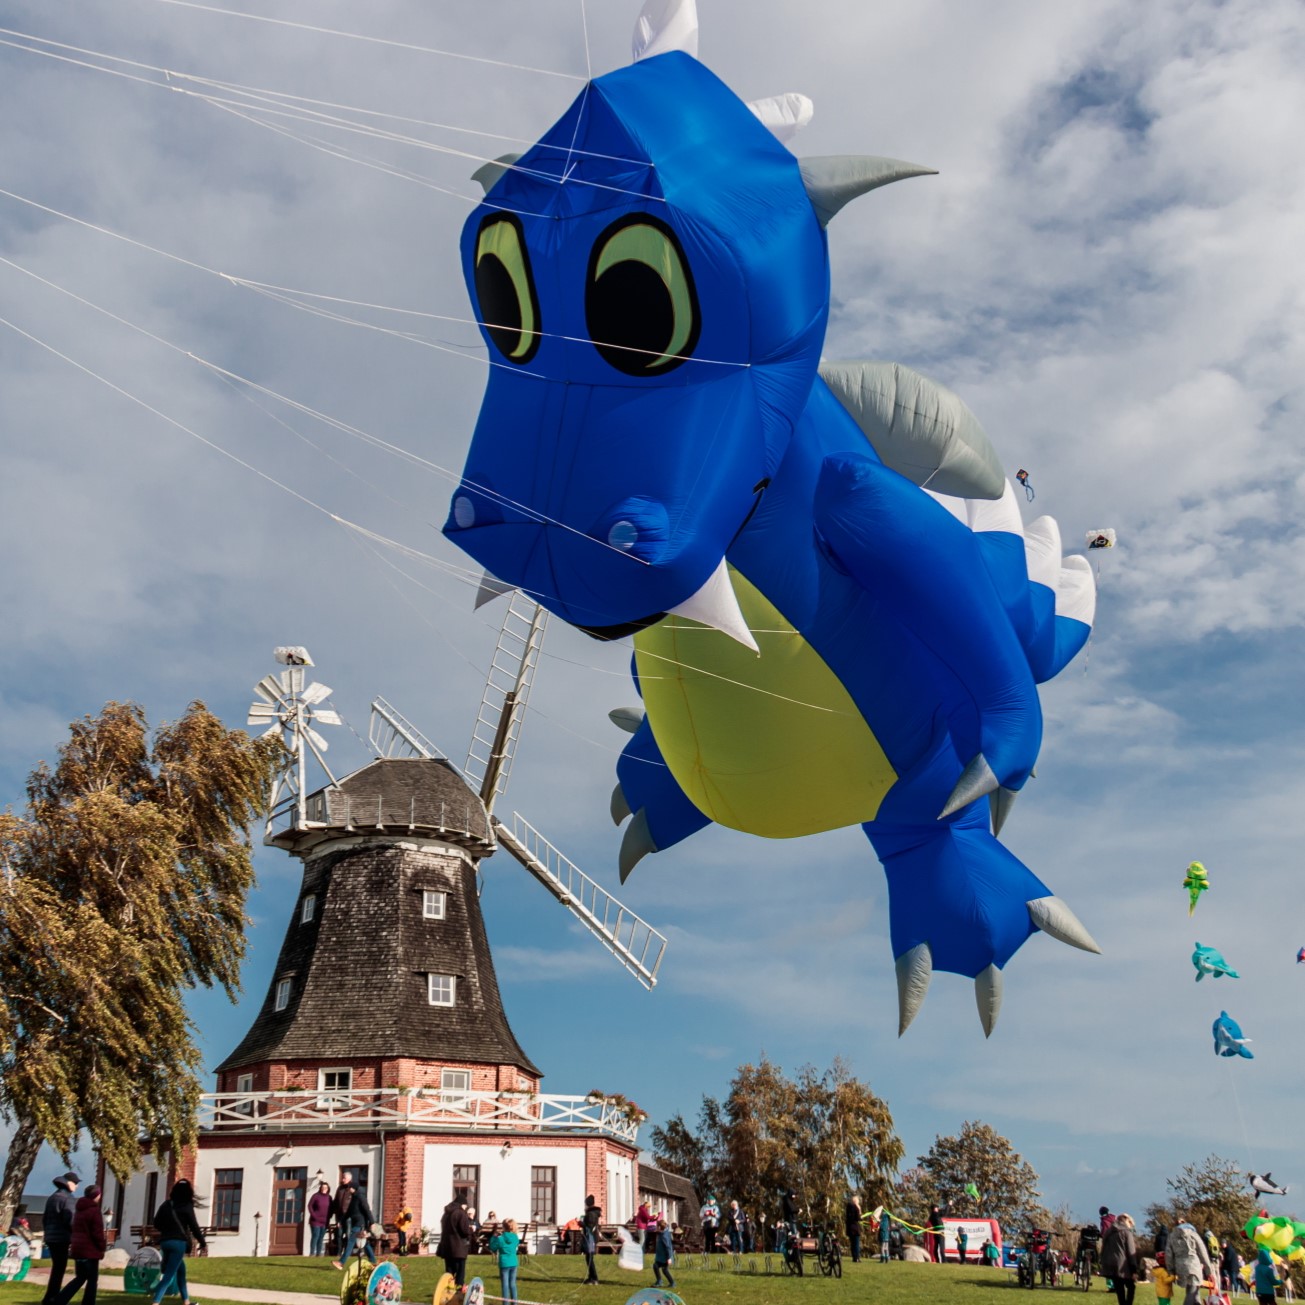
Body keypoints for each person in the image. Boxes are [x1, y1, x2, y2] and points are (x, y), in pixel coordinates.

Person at [151, 1178, 208, 1305]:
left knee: (181, 1271)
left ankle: (186, 1302)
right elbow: (194, 1227)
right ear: (188, 1192)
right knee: (168, 1276)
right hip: (178, 1244)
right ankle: (155, 1302)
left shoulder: (166, 1204)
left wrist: (167, 1230)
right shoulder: (187, 1206)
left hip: (165, 1242)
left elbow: (156, 1223)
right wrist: (203, 1243)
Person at [53, 1184, 105, 1305]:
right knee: (92, 1280)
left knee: (80, 1277)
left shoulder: (79, 1210)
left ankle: (60, 1300)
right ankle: (88, 1302)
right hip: (90, 1251)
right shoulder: (94, 1211)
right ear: (96, 1195)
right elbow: (97, 1232)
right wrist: (102, 1247)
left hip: (78, 1249)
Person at [40, 1171, 80, 1305]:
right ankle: (52, 1297)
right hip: (62, 1238)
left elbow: (45, 1219)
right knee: (59, 1269)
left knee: (56, 1267)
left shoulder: (53, 1197)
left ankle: (51, 1296)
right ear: (68, 1183)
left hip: (51, 1237)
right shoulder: (67, 1198)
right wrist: (75, 1235)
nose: (77, 1186)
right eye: (75, 1183)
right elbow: (71, 1220)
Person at [1167, 1218, 1215, 1305]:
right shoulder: (1193, 1234)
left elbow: (1168, 1254)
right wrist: (1208, 1269)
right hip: (1193, 1265)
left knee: (1194, 1291)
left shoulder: (1171, 1236)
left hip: (1180, 1266)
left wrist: (1170, 1270)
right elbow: (1202, 1251)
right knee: (1192, 1292)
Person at [1101, 1212, 1140, 1305]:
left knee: (1119, 1290)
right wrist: (1134, 1270)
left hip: (1110, 1264)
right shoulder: (1126, 1232)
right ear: (1127, 1221)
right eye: (1131, 1224)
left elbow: (1103, 1248)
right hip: (1123, 1265)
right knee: (1131, 1287)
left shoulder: (1108, 1231)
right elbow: (1131, 1252)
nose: (1131, 1227)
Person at [436, 1196, 472, 1287]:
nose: (465, 1208)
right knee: (460, 1273)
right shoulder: (460, 1213)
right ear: (462, 1204)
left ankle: (447, 1291)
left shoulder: (446, 1213)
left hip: (447, 1247)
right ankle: (458, 1292)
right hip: (458, 1248)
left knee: (449, 1273)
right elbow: (464, 1230)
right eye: (465, 1206)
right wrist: (471, 1230)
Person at [489, 1216, 520, 1304]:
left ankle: (505, 1303)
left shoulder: (501, 1238)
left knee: (505, 1285)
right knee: (513, 1284)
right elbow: (516, 1243)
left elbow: (493, 1247)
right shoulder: (515, 1237)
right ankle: (515, 1302)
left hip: (504, 1263)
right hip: (513, 1262)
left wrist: (494, 1237)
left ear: (503, 1227)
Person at [307, 1182, 332, 1258]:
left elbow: (331, 1208)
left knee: (321, 1237)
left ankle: (319, 1253)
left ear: (328, 1189)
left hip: (325, 1221)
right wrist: (314, 1215)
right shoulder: (316, 1196)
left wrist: (329, 1217)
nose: (324, 1189)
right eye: (323, 1187)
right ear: (320, 1188)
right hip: (315, 1221)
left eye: (326, 1188)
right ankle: (312, 1253)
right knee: (315, 1236)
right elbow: (310, 1206)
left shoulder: (329, 1197)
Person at [581, 1195, 601, 1285]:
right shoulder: (593, 1213)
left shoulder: (591, 1214)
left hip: (590, 1238)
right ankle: (591, 1277)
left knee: (589, 1258)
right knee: (589, 1257)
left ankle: (594, 1278)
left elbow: (590, 1226)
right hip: (591, 1237)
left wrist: (581, 1224)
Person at [653, 1217, 675, 1289]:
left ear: (660, 1227)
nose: (656, 1228)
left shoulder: (664, 1236)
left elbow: (668, 1247)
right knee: (655, 1266)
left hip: (665, 1257)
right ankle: (659, 1281)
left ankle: (672, 1283)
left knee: (664, 1270)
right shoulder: (662, 1232)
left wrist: (669, 1258)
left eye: (657, 1226)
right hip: (660, 1256)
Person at [844, 1195, 862, 1264]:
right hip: (855, 1228)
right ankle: (857, 1257)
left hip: (850, 1228)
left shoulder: (848, 1208)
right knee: (856, 1244)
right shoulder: (856, 1208)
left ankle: (854, 1257)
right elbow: (858, 1218)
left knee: (852, 1244)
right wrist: (859, 1210)